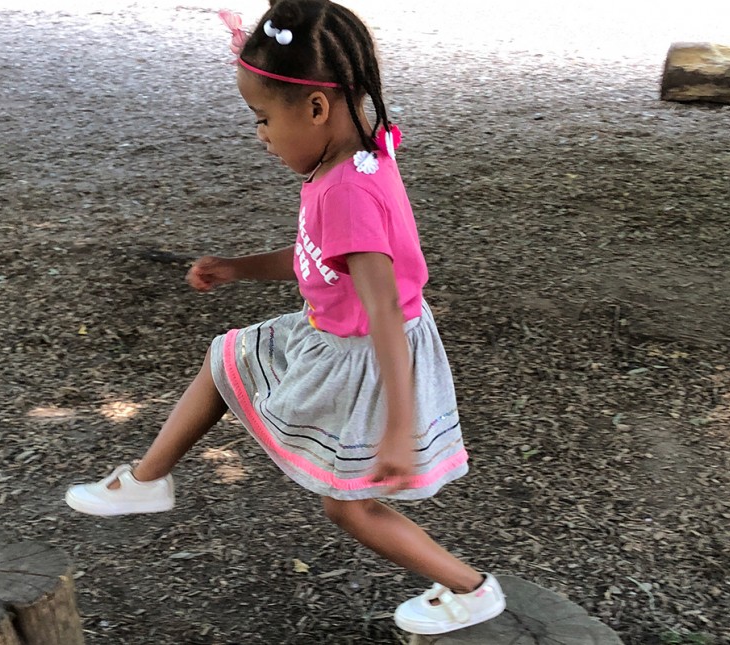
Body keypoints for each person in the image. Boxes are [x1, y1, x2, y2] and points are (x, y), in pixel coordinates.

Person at [65, 0, 505, 635]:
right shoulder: (347, 164)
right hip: (337, 335)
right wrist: (239, 267)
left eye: (264, 118)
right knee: (227, 359)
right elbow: (320, 261)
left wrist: (400, 426)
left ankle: (472, 588)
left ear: (317, 108)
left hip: (368, 360)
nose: (261, 135)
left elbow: (381, 305)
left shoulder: (350, 190)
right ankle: (146, 480)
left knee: (348, 508)